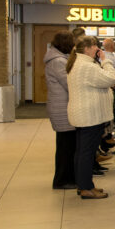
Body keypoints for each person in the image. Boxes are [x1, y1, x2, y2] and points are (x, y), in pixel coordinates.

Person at [66, 36, 115, 199]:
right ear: (86, 49)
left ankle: (83, 185)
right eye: (95, 46)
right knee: (86, 153)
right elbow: (111, 78)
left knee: (82, 151)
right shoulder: (87, 66)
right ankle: (87, 187)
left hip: (83, 115)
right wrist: (106, 60)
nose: (97, 49)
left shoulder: (78, 63)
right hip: (90, 116)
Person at [45, 32, 77, 190]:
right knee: (66, 147)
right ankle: (62, 180)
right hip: (62, 108)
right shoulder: (58, 61)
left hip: (62, 106)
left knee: (67, 145)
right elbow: (69, 83)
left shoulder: (58, 59)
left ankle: (67, 177)